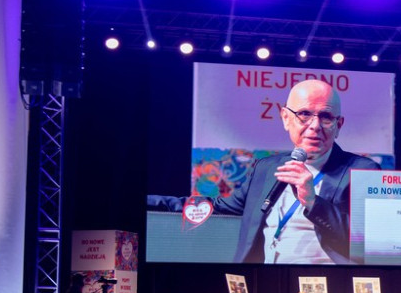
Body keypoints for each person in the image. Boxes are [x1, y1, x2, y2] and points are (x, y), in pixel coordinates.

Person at [148, 79, 379, 264]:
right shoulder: (266, 168)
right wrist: (150, 202)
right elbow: (216, 207)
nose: (315, 126)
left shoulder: (362, 171)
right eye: (304, 114)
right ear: (286, 118)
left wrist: (313, 201)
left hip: (328, 286)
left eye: (326, 117)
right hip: (266, 282)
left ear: (339, 125)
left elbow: (371, 242)